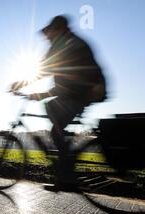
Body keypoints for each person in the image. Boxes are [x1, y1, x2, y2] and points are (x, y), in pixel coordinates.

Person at [11, 15, 107, 191]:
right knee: (53, 113)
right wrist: (38, 95)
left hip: (83, 92)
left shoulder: (64, 44)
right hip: (83, 91)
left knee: (54, 125)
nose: (47, 38)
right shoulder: (71, 42)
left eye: (49, 33)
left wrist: (20, 85)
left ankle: (67, 177)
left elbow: (44, 70)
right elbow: (62, 83)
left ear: (57, 30)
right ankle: (66, 151)